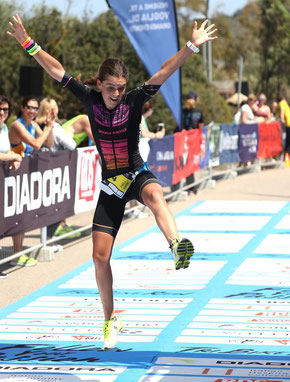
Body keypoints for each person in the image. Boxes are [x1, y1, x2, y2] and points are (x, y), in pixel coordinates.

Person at [7, 14, 217, 348]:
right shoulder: (89, 99)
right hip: (110, 184)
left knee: (155, 194)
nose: (117, 94)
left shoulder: (134, 99)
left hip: (135, 173)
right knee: (99, 257)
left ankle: (176, 245)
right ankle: (109, 319)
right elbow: (56, 69)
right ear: (100, 85)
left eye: (121, 88)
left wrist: (191, 46)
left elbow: (163, 70)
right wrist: (28, 43)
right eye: (111, 88)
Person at [9, 95, 54, 266]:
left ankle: (17, 253)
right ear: (22, 107)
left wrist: (50, 127)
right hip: (12, 174)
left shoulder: (33, 124)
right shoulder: (17, 125)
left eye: (36, 108)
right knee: (15, 215)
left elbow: (48, 143)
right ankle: (16, 254)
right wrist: (48, 128)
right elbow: (36, 144)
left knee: (22, 215)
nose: (33, 111)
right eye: (29, 107)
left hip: (25, 176)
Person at [36, 97, 80, 238]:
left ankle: (48, 237)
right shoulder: (54, 127)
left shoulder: (35, 124)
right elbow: (71, 145)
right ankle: (49, 239)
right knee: (54, 205)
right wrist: (70, 134)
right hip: (54, 170)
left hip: (37, 169)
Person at [128, 100, 165, 219]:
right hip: (137, 154)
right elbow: (144, 134)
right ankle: (133, 209)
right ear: (148, 109)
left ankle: (133, 209)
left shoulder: (139, 117)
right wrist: (157, 135)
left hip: (137, 153)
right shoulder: (139, 117)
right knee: (135, 180)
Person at [0, 95, 22, 278]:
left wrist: (14, 157)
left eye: (5, 110)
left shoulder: (5, 127)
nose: (2, 113)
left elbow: (5, 150)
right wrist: (13, 157)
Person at [182, 91, 204, 194]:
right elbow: (200, 128)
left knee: (187, 163)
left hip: (184, 140)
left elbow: (180, 126)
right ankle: (192, 186)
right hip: (194, 141)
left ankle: (191, 186)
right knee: (192, 163)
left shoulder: (182, 112)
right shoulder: (199, 112)